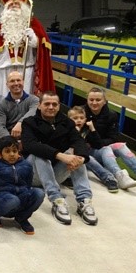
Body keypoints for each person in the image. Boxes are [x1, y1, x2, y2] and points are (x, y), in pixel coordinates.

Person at [21, 91, 98, 226]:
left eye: (54, 104)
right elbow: (30, 145)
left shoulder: (66, 122)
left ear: (58, 106)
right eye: (47, 104)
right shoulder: (29, 122)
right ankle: (57, 200)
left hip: (54, 174)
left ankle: (84, 201)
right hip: (32, 174)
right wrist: (60, 155)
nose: (51, 107)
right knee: (39, 153)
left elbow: (78, 140)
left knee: (76, 158)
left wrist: (81, 158)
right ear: (39, 106)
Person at [0, 0, 54, 106]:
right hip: (3, 68)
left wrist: (34, 38)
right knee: (2, 96)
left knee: (24, 96)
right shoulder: (0, 27)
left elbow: (42, 46)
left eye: (17, 5)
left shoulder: (33, 24)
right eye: (11, 5)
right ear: (6, 9)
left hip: (25, 67)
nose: (14, 7)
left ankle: (25, 120)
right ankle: (2, 118)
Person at [84, 87, 136, 190]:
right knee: (106, 148)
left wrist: (100, 143)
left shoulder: (111, 115)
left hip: (102, 147)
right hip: (88, 152)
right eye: (91, 100)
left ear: (104, 101)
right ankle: (119, 175)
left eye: (98, 100)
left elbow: (114, 138)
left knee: (120, 145)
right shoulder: (81, 113)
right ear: (87, 100)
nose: (94, 103)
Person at [0, 136, 45, 235]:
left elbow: (28, 184)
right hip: (2, 196)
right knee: (13, 200)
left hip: (20, 196)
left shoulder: (26, 165)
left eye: (14, 151)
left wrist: (27, 197)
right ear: (0, 153)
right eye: (7, 151)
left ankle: (21, 217)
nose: (12, 154)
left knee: (39, 193)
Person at [67, 106, 119, 193]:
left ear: (85, 119)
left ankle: (109, 178)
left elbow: (98, 144)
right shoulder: (66, 129)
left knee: (89, 158)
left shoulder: (86, 130)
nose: (79, 120)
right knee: (87, 158)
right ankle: (68, 178)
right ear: (69, 120)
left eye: (81, 118)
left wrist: (93, 129)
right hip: (68, 158)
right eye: (75, 118)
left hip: (82, 158)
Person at [0, 71, 39, 141]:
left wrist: (20, 123)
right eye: (12, 81)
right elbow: (0, 127)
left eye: (18, 80)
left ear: (23, 82)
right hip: (9, 138)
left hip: (29, 137)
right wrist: (11, 142)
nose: (16, 83)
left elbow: (33, 112)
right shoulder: (1, 105)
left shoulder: (34, 100)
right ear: (7, 84)